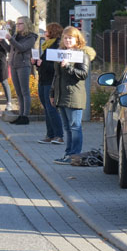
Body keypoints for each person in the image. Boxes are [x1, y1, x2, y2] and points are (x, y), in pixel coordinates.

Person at [50, 26, 96, 164]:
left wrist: (69, 67)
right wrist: (52, 93)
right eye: (65, 38)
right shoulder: (61, 53)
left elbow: (83, 74)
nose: (67, 40)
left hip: (74, 94)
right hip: (61, 94)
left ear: (77, 39)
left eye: (70, 38)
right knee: (67, 127)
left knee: (75, 126)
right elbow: (56, 76)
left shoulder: (82, 54)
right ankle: (68, 153)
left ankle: (75, 155)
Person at [1, 15, 37, 125]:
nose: (17, 25)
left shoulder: (31, 37)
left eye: (20, 23)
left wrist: (10, 39)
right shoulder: (16, 35)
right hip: (13, 64)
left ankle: (25, 116)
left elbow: (22, 48)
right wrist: (2, 41)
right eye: (17, 24)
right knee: (18, 92)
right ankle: (21, 115)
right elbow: (9, 49)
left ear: (26, 24)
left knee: (25, 91)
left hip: (23, 64)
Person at [33, 22, 64, 144]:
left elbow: (54, 66)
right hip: (43, 80)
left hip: (50, 81)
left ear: (52, 32)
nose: (45, 33)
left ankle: (59, 135)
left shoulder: (56, 46)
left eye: (46, 31)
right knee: (46, 108)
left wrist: (42, 63)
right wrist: (36, 63)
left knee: (51, 108)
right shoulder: (47, 46)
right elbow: (44, 64)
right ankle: (50, 134)